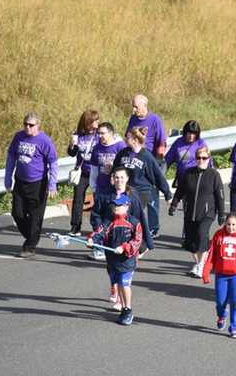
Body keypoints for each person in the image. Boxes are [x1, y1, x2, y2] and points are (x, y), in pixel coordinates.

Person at [4, 112, 58, 258]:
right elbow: (11, 157)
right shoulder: (18, 137)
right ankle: (32, 236)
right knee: (17, 213)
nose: (27, 127)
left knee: (35, 216)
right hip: (20, 182)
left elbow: (53, 163)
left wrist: (52, 184)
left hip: (38, 183)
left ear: (37, 126)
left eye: (31, 125)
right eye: (25, 124)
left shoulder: (44, 140)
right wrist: (7, 177)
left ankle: (30, 247)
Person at [170, 145, 225, 278]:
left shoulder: (214, 175)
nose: (201, 160)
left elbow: (220, 195)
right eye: (198, 158)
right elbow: (180, 191)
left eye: (204, 158)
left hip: (207, 212)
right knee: (191, 242)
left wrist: (221, 214)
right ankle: (199, 263)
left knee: (202, 235)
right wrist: (174, 204)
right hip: (190, 212)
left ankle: (201, 266)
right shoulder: (189, 173)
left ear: (209, 158)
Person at [87, 194, 143, 325]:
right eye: (114, 205)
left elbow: (137, 241)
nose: (115, 207)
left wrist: (124, 247)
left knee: (124, 283)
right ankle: (123, 308)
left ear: (127, 206)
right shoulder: (109, 221)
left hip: (127, 260)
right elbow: (99, 232)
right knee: (116, 282)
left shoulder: (134, 223)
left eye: (119, 205)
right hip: (112, 260)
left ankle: (128, 309)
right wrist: (91, 239)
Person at [113, 128, 173, 239]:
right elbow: (115, 168)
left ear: (135, 140)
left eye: (128, 137)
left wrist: (167, 194)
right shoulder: (123, 153)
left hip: (141, 191)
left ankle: (138, 239)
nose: (126, 139)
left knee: (132, 215)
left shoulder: (146, 156)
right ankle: (124, 238)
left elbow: (157, 176)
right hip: (125, 190)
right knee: (120, 213)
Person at [125, 94, 167, 238]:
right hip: (135, 160)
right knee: (134, 193)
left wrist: (158, 163)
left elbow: (161, 142)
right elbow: (128, 137)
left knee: (152, 195)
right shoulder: (133, 119)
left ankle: (153, 227)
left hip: (150, 159)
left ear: (144, 105)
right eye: (133, 106)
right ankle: (133, 224)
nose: (134, 109)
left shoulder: (154, 119)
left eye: (136, 106)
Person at [88, 122, 127, 260]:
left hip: (115, 190)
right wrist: (93, 186)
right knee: (96, 218)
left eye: (103, 133)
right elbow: (93, 169)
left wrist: (114, 170)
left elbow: (125, 168)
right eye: (99, 133)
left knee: (110, 219)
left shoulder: (119, 146)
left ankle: (114, 246)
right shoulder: (97, 148)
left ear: (111, 133)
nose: (100, 136)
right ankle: (99, 248)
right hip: (100, 189)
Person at [66, 109, 99, 235]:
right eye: (94, 120)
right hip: (82, 170)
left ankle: (98, 227)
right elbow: (72, 153)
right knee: (78, 198)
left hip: (96, 171)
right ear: (87, 122)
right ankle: (75, 227)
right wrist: (71, 145)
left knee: (98, 199)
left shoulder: (99, 134)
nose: (97, 123)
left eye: (97, 120)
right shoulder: (78, 134)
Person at [164, 120, 209, 189]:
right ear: (185, 132)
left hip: (197, 180)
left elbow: (209, 163)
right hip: (182, 180)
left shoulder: (201, 143)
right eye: (189, 133)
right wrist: (159, 176)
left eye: (194, 134)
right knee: (178, 199)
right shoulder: (178, 143)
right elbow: (167, 161)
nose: (191, 136)